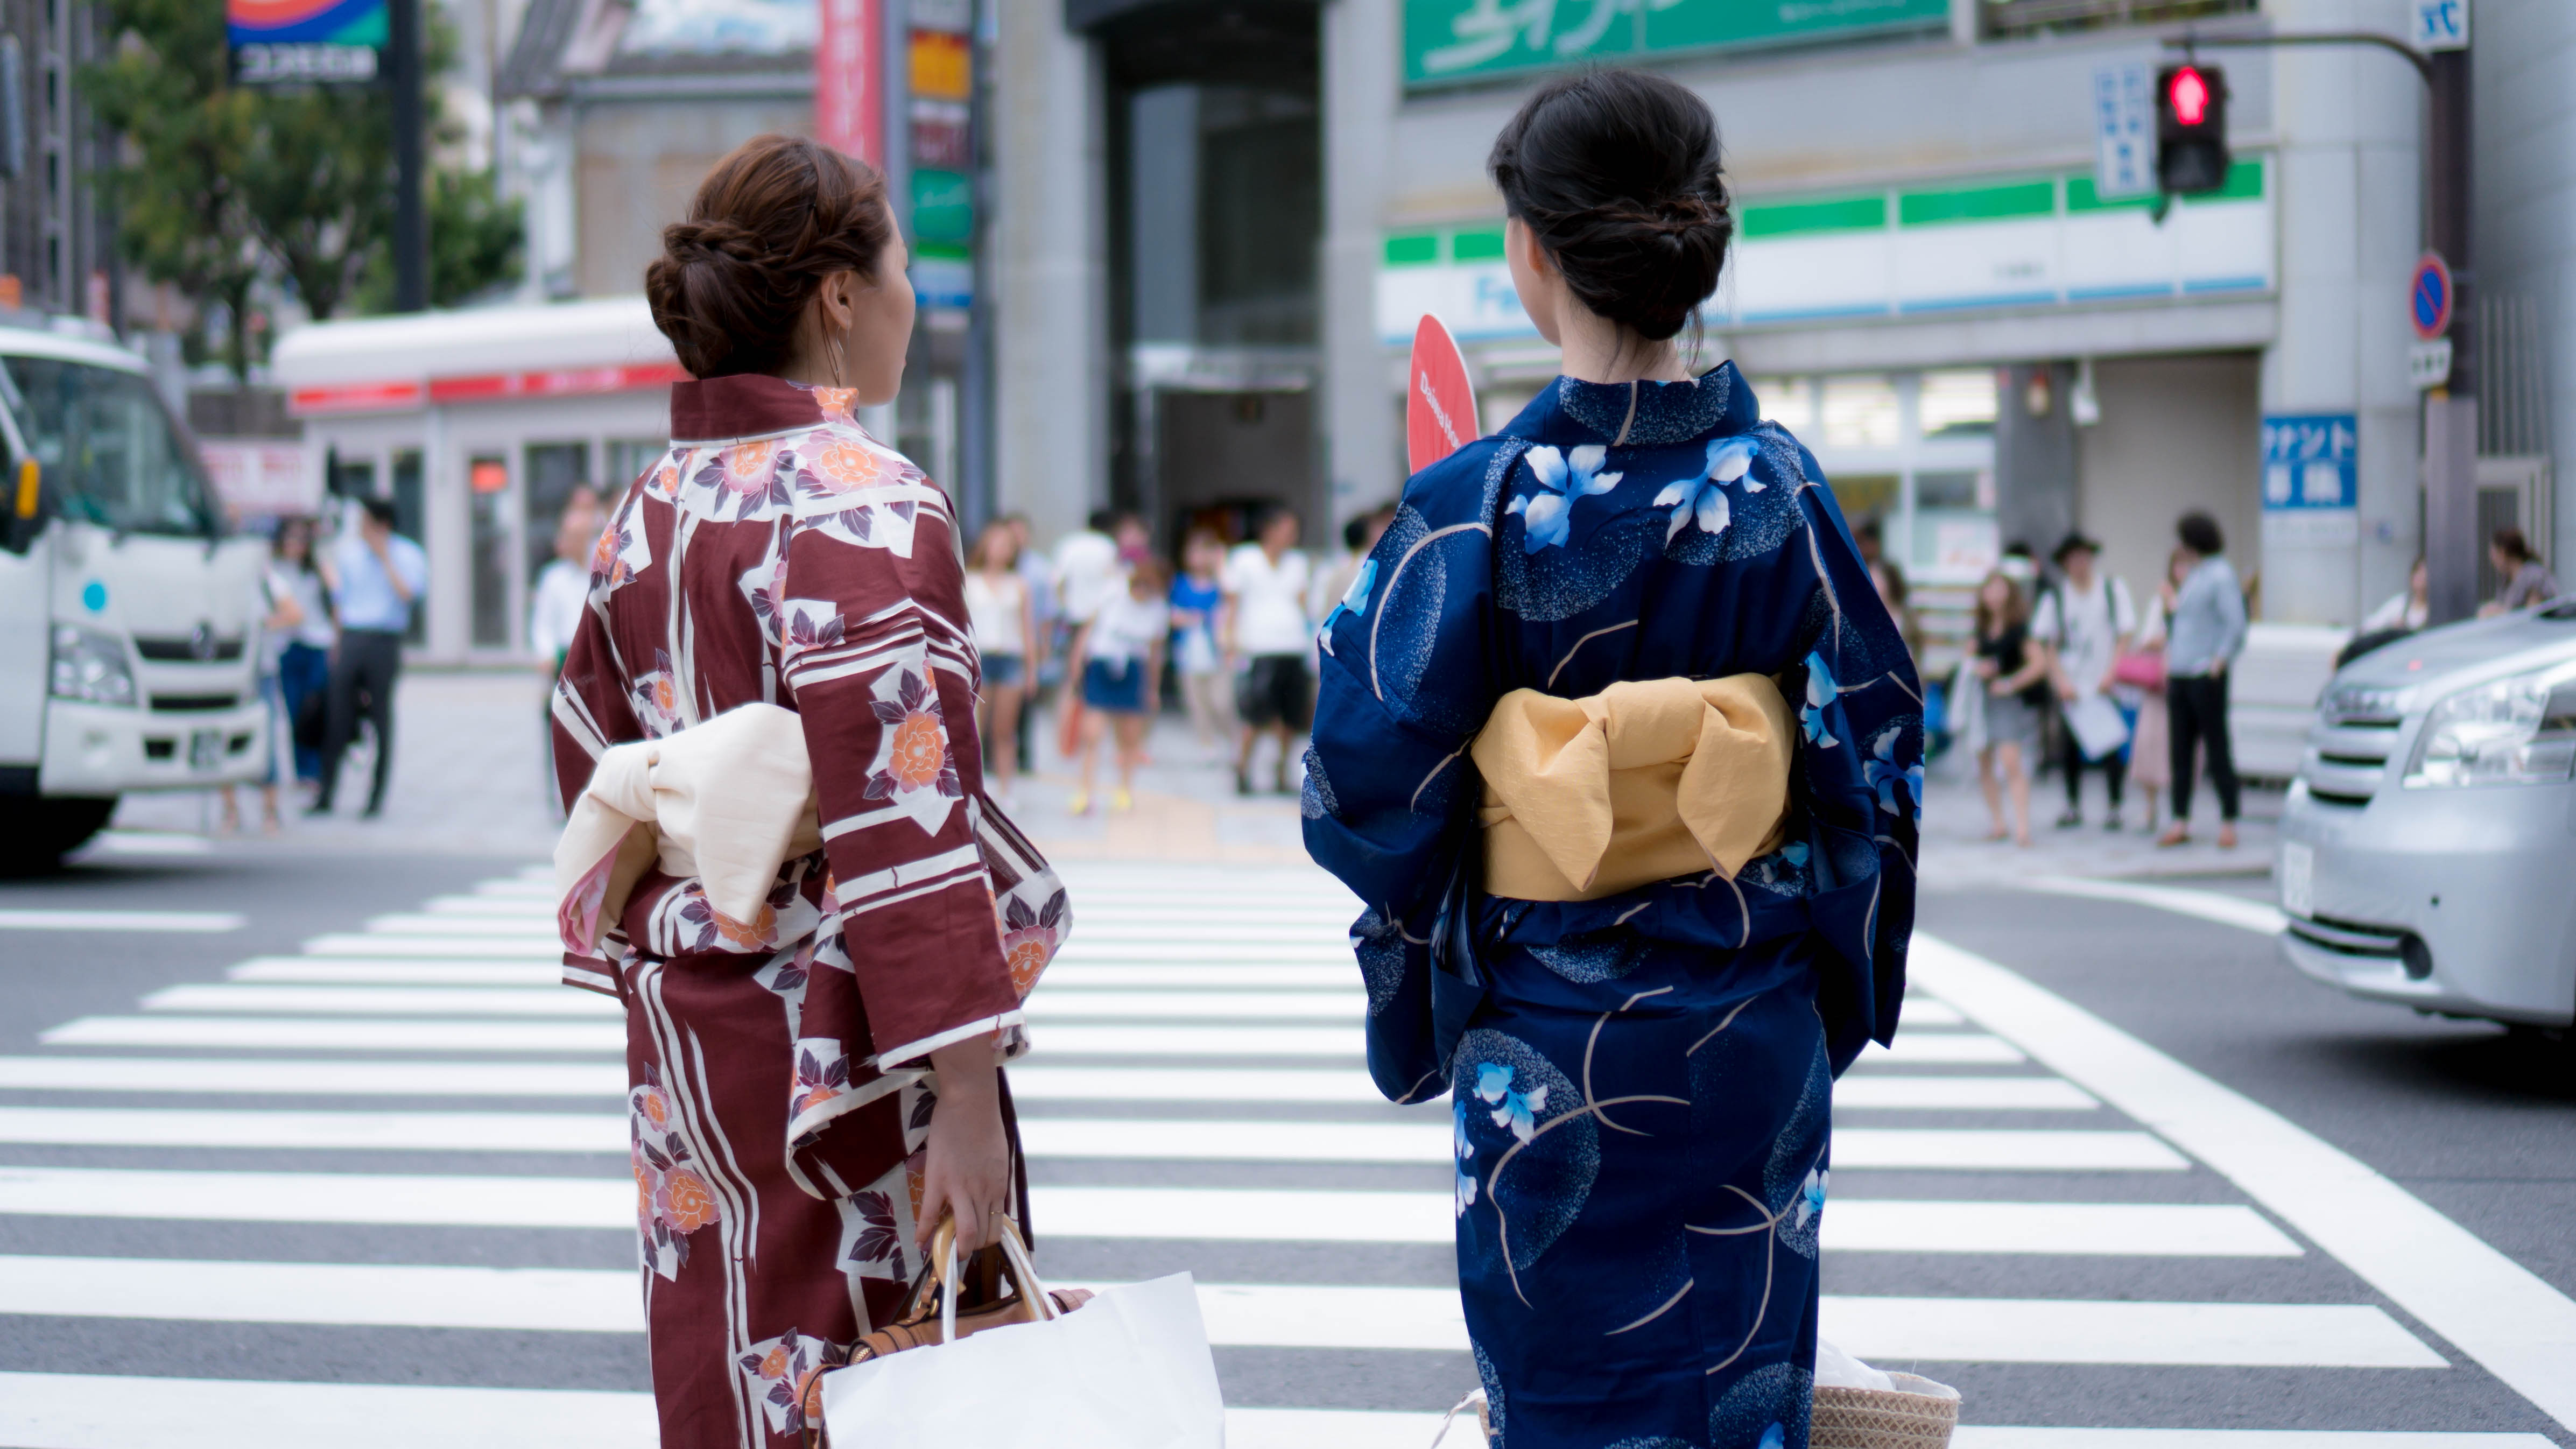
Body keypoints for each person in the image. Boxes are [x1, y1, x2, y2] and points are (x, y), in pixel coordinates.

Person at [1301, 71, 1920, 1449]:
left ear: (1529, 247)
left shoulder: (1480, 501)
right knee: (1738, 1393)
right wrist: (1815, 973)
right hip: (1745, 1026)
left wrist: (1459, 892)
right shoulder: (1780, 485)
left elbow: (1355, 781)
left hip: (1548, 1042)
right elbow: (1872, 749)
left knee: (1563, 1400)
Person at [556, 134, 1049, 1447]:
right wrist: (962, 1090)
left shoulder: (645, 509)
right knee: (881, 1372)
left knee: (725, 1363)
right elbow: (909, 824)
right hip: (846, 1051)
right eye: (899, 269)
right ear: (837, 293)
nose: (909, 299)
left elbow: (581, 756)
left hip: (688, 1042)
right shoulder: (864, 501)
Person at [311, 495, 426, 819]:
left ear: (383, 525)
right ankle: (326, 792)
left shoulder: (408, 554)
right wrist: (337, 644)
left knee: (381, 717)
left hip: (385, 640)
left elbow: (409, 595)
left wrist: (385, 557)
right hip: (352, 637)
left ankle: (375, 797)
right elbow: (340, 602)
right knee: (337, 714)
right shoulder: (349, 556)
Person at [2032, 532, 2137, 830]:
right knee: (2069, 748)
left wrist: (2112, 672)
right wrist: (2060, 680)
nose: (2080, 564)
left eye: (2084, 557)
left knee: (2111, 745)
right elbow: (2046, 641)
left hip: (2105, 682)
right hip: (2072, 684)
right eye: (2073, 559)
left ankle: (2115, 805)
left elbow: (2125, 633)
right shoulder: (2057, 595)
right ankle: (2072, 803)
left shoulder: (2111, 589)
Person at [221, 520, 320, 834]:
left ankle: (269, 810)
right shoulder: (225, 580)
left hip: (261, 667)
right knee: (224, 738)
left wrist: (263, 624)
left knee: (265, 742)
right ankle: (230, 811)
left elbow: (295, 613)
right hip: (227, 671)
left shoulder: (267, 580)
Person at [2159, 510, 2247, 849]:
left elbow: (2235, 623)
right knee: (2180, 749)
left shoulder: (2220, 575)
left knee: (2217, 747)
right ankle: (2179, 818)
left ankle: (2229, 819)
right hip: (2180, 671)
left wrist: (2220, 660)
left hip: (2204, 672)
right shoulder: (2195, 575)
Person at [1222, 502, 1313, 796]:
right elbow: (1232, 605)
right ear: (1269, 530)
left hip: (1292, 645)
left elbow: (1303, 603)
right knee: (1255, 714)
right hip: (1258, 646)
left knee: (1291, 716)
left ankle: (1280, 770)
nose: (1292, 536)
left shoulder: (1298, 562)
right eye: (1287, 530)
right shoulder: (1244, 559)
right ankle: (1242, 766)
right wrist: (1229, 640)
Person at [1069, 558, 1170, 814]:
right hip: (1103, 665)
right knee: (1092, 734)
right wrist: (1077, 665)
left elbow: (1156, 653)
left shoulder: (1159, 610)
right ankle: (1086, 791)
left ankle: (1124, 790)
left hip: (1135, 669)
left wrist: (1154, 688)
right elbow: (1088, 630)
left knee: (1129, 737)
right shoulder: (1112, 593)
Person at [530, 489, 604, 812]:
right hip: (564, 658)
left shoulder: (601, 574)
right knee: (559, 725)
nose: (571, 542)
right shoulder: (553, 579)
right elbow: (542, 623)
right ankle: (562, 793)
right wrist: (544, 654)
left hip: (595, 658)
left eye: (579, 536)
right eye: (569, 535)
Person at [1972, 568, 2047, 847]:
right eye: (1989, 588)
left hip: (2007, 701)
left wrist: (2011, 683)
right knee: (1984, 762)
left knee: (2011, 761)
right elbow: (1969, 658)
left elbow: (2039, 665)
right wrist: (1977, 667)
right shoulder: (1981, 627)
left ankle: (2022, 827)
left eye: (1999, 588)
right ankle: (1998, 822)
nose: (1993, 595)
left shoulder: (2019, 628)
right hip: (1983, 701)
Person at [963, 520, 1037, 802]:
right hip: (980, 658)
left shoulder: (1019, 584)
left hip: (1010, 658)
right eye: (995, 543)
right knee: (975, 728)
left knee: (1005, 729)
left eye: (1006, 545)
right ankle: (975, 788)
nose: (1000, 550)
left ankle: (1007, 789)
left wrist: (1032, 669)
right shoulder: (970, 579)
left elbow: (1027, 629)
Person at [268, 515, 335, 790]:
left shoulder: (317, 570)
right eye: (290, 538)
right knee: (294, 708)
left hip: (316, 643)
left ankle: (317, 767)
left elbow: (334, 604)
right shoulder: (274, 571)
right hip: (286, 646)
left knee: (315, 708)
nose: (295, 544)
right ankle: (302, 771)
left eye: (301, 539)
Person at [2121, 551, 2184, 834]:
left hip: (2186, 680)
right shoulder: (2161, 601)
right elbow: (2148, 638)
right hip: (2159, 683)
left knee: (2182, 749)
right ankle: (2150, 807)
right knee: (2148, 743)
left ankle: (2181, 812)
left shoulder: (2194, 598)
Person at [1169, 527, 1232, 749]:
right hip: (1189, 650)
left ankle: (1232, 739)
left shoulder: (1221, 583)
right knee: (1197, 702)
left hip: (1217, 649)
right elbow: (1173, 615)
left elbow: (1230, 609)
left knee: (1221, 701)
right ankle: (1207, 744)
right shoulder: (1181, 583)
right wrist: (1191, 618)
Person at [2479, 527, 2560, 616]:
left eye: (2494, 555)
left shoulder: (2534, 577)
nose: (2492, 561)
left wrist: (2501, 612)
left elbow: (2534, 614)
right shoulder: (2507, 582)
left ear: (2503, 552)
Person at [2361, 557, 2430, 633]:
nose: (2422, 582)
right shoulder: (2401, 603)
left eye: (2425, 577)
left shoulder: (2436, 609)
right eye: (2419, 576)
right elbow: (2373, 624)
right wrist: (2391, 627)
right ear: (2412, 578)